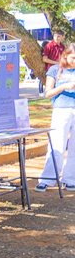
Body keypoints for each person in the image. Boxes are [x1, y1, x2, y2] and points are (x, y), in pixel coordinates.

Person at [36, 42, 75, 191]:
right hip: (61, 110)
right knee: (57, 145)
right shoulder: (54, 69)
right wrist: (64, 87)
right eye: (73, 58)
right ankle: (47, 179)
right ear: (65, 56)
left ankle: (70, 179)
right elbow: (48, 93)